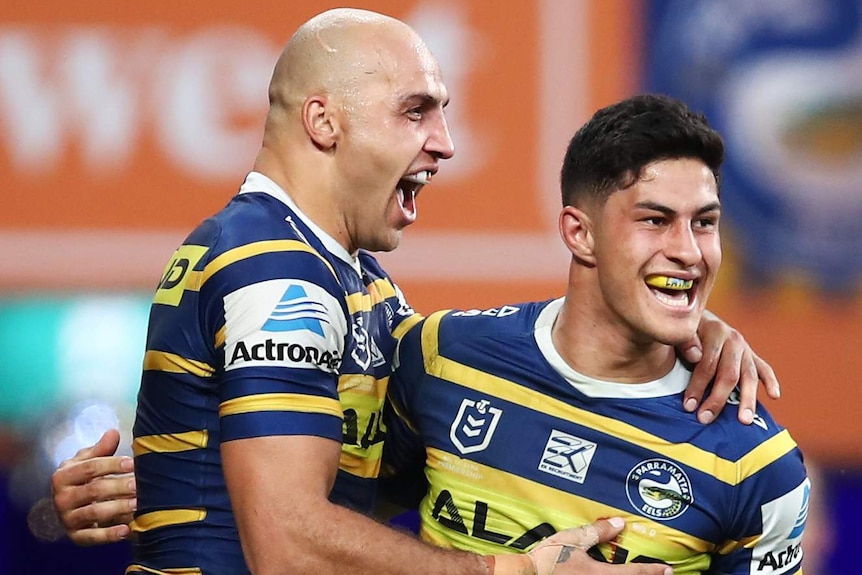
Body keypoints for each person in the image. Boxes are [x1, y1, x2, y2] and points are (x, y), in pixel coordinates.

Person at [48, 9, 779, 575]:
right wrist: (506, 568)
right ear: (324, 122)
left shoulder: (360, 285)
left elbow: (402, 464)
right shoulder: (272, 267)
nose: (445, 141)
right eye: (416, 110)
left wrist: (686, 325)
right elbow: (288, 546)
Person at [382, 94, 809, 574]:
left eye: (704, 223)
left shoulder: (756, 464)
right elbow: (336, 543)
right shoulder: (444, 357)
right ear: (580, 233)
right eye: (656, 220)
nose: (690, 252)